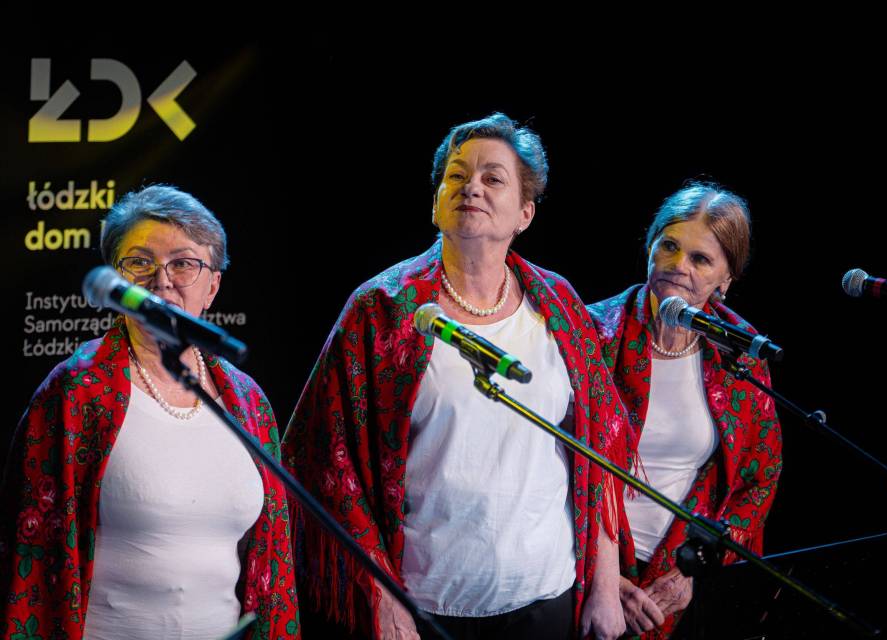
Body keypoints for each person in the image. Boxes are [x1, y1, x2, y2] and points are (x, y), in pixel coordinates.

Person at [282, 113, 627, 640]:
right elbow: (323, 460)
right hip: (425, 604)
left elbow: (600, 449)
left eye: (493, 178)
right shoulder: (381, 308)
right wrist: (379, 595)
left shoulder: (558, 304)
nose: (472, 187)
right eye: (457, 175)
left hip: (545, 596)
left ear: (525, 213)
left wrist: (604, 587)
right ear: (436, 200)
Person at [0, 185, 299, 640]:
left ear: (212, 286)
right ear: (116, 285)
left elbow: (270, 557)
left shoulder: (249, 401)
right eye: (139, 263)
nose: (162, 281)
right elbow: (32, 553)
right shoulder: (76, 390)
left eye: (183, 263)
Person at [587, 183, 782, 638]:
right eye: (669, 246)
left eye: (701, 259)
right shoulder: (591, 333)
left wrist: (692, 571)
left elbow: (760, 477)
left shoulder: (741, 355)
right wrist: (602, 578)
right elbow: (547, 466)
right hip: (581, 567)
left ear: (725, 279)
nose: (679, 266)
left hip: (679, 578)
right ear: (649, 247)